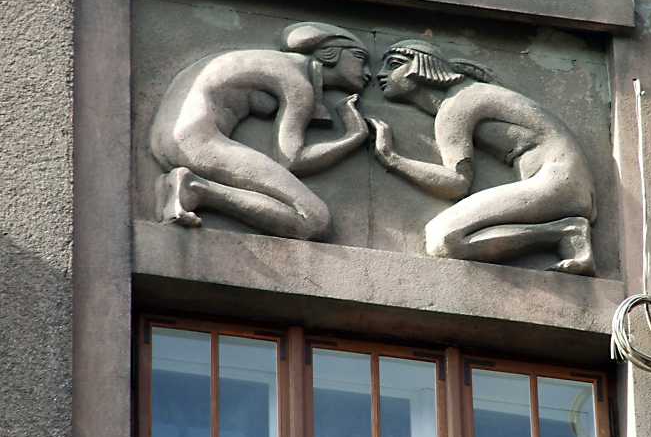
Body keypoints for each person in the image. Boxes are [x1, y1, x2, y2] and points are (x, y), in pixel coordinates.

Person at [368, 39, 597, 275]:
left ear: (423, 67)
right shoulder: (469, 94)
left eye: (393, 64)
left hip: (558, 183)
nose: (381, 74)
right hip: (565, 181)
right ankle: (565, 231)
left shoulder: (458, 104)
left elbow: (456, 183)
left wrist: (392, 158)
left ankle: (566, 233)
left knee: (444, 240)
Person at [150, 21, 371, 240]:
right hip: (194, 140)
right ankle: (195, 189)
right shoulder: (297, 81)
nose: (369, 73)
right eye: (360, 58)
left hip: (166, 137)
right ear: (330, 54)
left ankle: (193, 189)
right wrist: (353, 136)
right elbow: (293, 160)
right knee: (314, 220)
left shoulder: (272, 62)